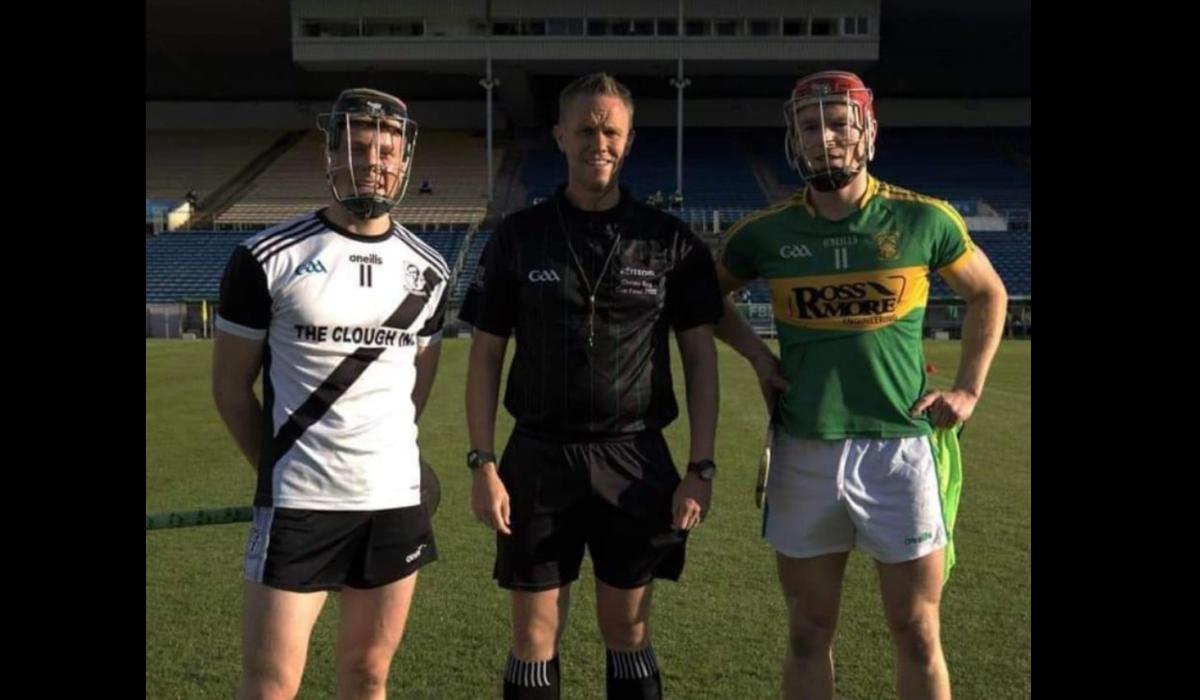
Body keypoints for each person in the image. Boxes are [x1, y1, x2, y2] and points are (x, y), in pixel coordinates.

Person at [713, 70, 1008, 700]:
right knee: (806, 633)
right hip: (804, 450)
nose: (825, 138)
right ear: (793, 138)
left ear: (866, 130)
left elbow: (988, 292)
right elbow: (704, 300)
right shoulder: (763, 234)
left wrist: (969, 390)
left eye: (838, 123)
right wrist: (758, 359)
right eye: (809, 126)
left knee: (918, 631)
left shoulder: (924, 219)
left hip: (900, 450)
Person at [461, 72, 722, 700]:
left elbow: (701, 362)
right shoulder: (519, 237)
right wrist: (482, 462)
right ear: (559, 135)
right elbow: (486, 355)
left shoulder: (668, 242)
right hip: (538, 458)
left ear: (628, 141)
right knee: (532, 637)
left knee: (626, 632)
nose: (597, 141)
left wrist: (701, 468)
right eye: (584, 129)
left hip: (634, 459)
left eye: (610, 130)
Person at [211, 87, 450, 700]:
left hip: (393, 504)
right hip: (300, 504)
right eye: (360, 146)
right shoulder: (266, 257)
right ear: (333, 154)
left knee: (368, 677)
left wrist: (383, 458)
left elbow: (415, 387)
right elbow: (231, 388)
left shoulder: (430, 270)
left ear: (404, 163)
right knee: (271, 684)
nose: (374, 161)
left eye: (387, 151)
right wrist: (279, 468)